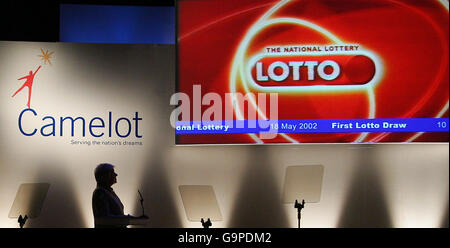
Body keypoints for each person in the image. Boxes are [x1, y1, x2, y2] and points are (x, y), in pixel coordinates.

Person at [92, 163, 147, 228]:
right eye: (112, 173)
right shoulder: (100, 193)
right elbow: (106, 219)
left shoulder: (109, 192)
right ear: (104, 176)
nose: (116, 175)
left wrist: (135, 219)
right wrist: (133, 219)